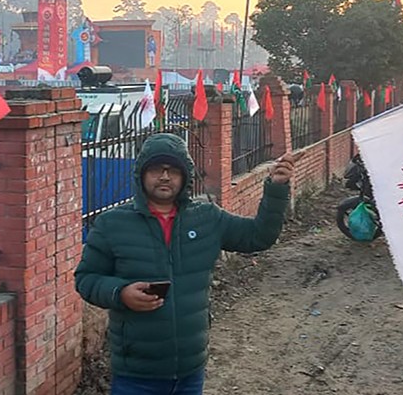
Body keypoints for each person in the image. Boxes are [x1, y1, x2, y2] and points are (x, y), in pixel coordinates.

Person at [74, 133, 300, 394]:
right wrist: (120, 293)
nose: (165, 176)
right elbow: (86, 278)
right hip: (136, 374)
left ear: (185, 177)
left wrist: (276, 187)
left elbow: (258, 237)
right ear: (141, 174)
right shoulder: (113, 224)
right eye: (156, 169)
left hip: (190, 372)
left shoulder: (207, 218)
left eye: (173, 170)